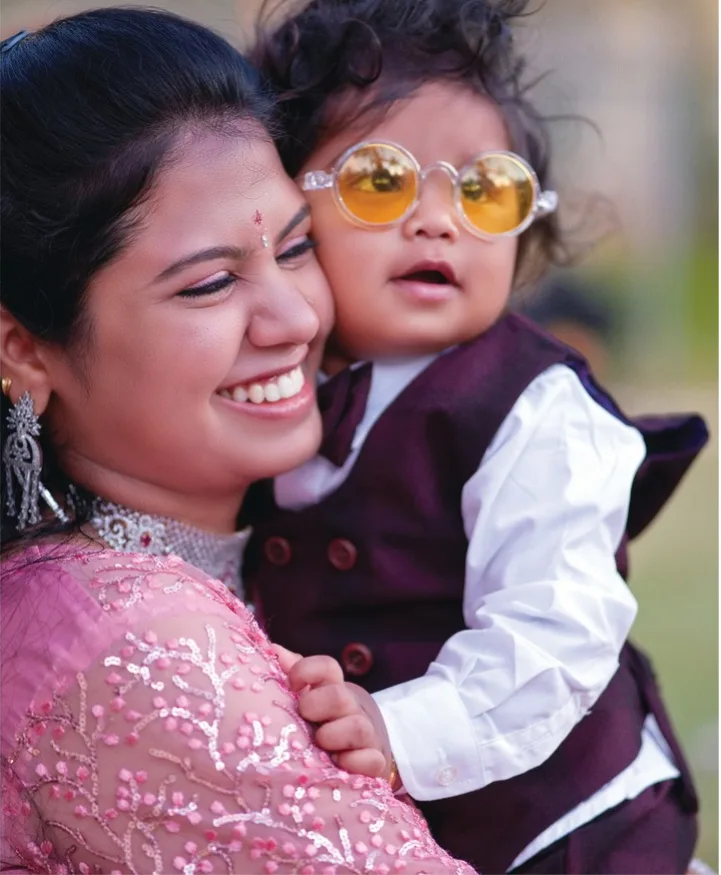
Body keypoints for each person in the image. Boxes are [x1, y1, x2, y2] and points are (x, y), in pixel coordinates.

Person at [0, 9, 478, 874]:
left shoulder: (257, 564)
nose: (296, 317)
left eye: (295, 248)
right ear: (23, 350)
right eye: (211, 282)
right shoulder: (132, 641)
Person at [244, 1, 709, 872]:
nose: (437, 218)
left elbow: (552, 634)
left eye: (484, 189)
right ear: (283, 212)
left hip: (579, 829)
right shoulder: (269, 381)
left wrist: (399, 725)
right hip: (402, 833)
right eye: (380, 179)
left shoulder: (534, 410)